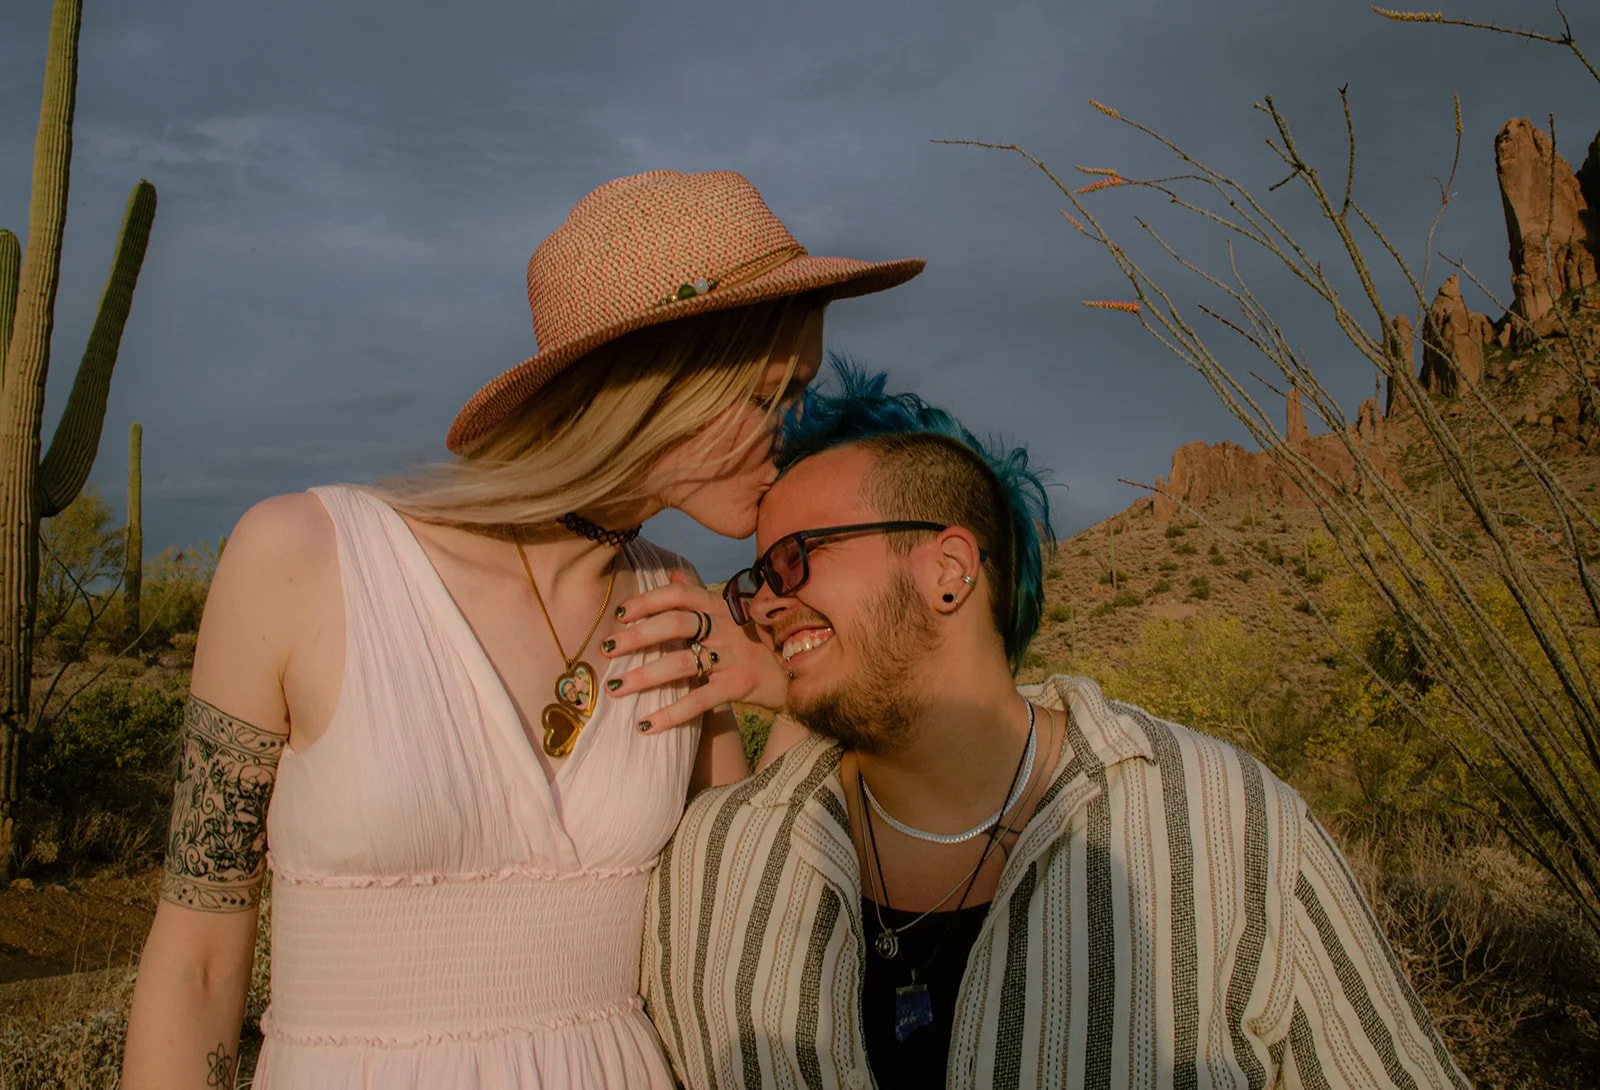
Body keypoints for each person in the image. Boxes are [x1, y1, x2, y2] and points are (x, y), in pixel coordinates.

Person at [120, 171, 922, 1090]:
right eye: (769, 395)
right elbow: (198, 962)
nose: (798, 430)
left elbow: (747, 911)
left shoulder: (682, 602)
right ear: (651, 381)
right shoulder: (303, 558)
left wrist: (789, 685)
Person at [640, 364, 1470, 1089]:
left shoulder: (1230, 824)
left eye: (796, 558)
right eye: (756, 576)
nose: (766, 599)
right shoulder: (717, 864)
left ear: (950, 570)